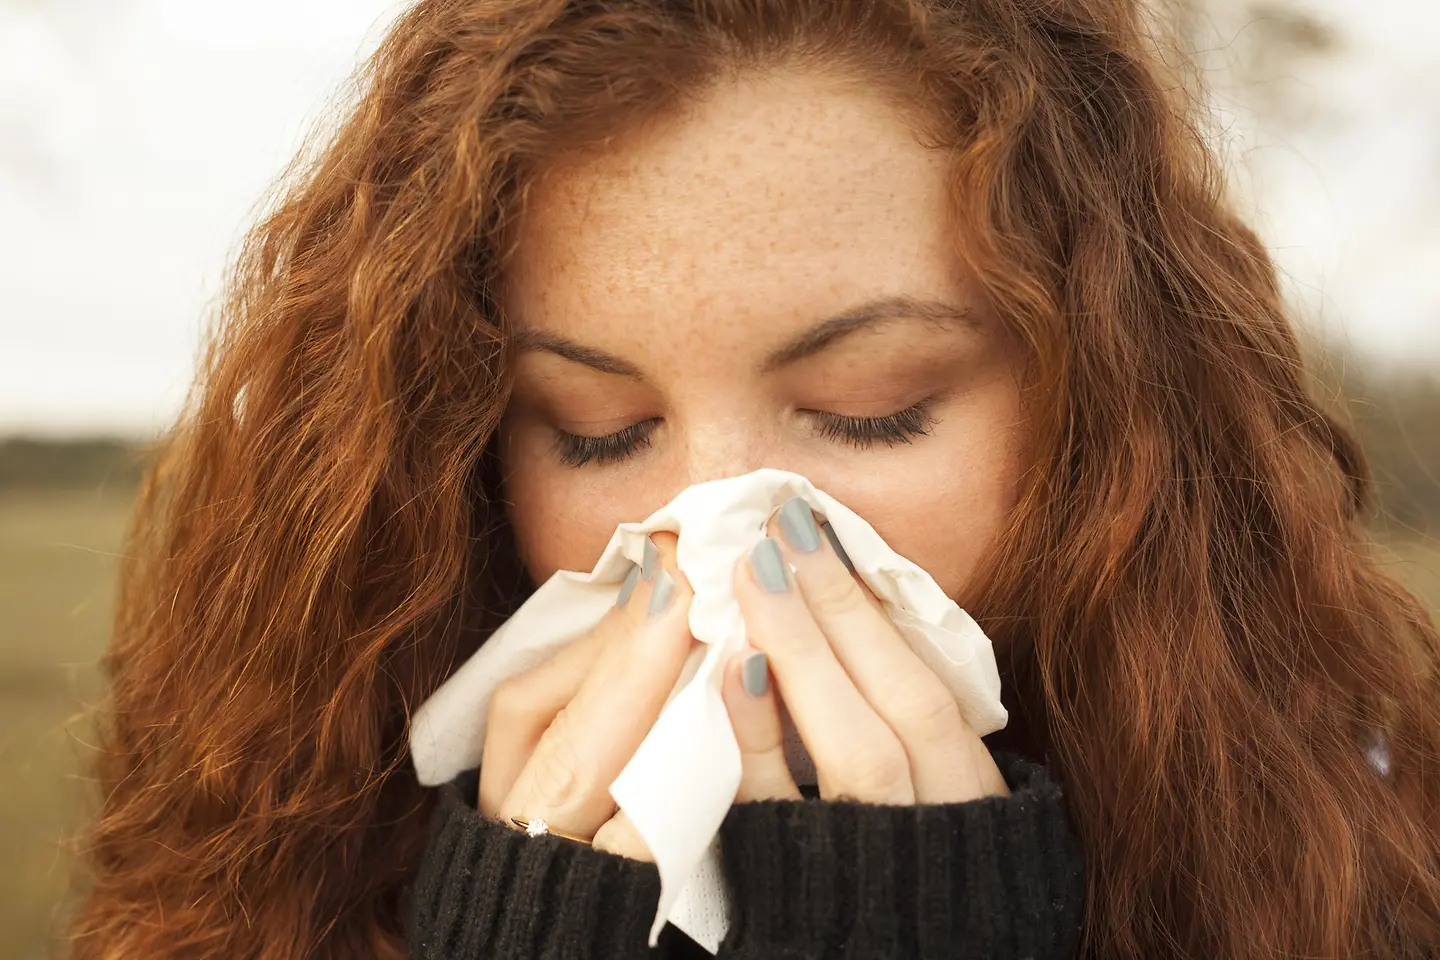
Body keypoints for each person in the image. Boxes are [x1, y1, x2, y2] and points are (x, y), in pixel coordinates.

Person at [67, 0, 1440, 958]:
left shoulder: (1372, 869)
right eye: (598, 432)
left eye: (873, 412)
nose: (722, 535)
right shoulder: (309, 869)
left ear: (1110, 410)